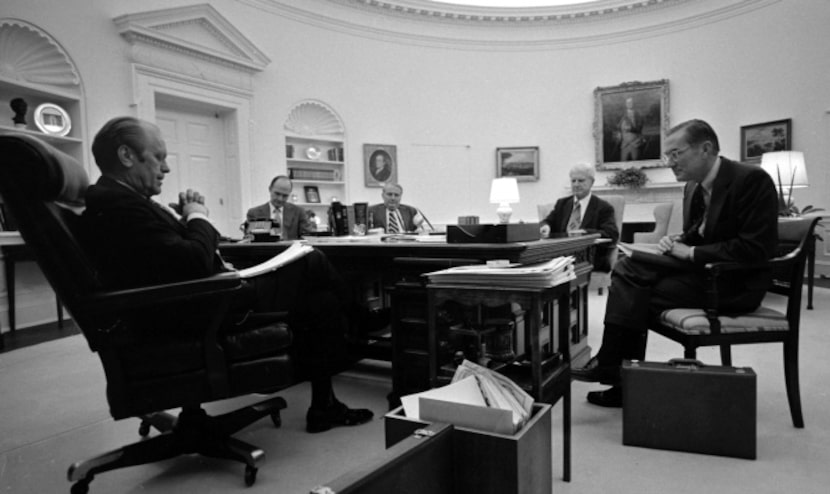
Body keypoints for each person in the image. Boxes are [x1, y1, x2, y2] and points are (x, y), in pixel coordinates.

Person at [80, 116, 374, 433]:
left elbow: (173, 256)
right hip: (200, 310)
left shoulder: (117, 200)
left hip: (193, 302)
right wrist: (196, 216)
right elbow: (193, 259)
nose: (165, 168)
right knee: (312, 260)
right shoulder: (118, 204)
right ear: (126, 156)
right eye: (159, 157)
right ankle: (363, 323)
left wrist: (185, 219)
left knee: (320, 301)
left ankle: (325, 403)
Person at [572, 119, 779, 407]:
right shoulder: (693, 187)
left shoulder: (752, 180)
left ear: (705, 148)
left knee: (631, 290)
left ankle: (616, 374)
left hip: (735, 284)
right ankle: (618, 375)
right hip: (702, 275)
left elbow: (755, 247)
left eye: (675, 154)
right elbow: (699, 231)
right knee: (628, 267)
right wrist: (677, 240)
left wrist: (692, 253)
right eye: (667, 156)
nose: (670, 162)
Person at [539, 163, 619, 271]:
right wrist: (545, 226)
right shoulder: (562, 204)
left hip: (589, 257)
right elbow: (548, 222)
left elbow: (611, 233)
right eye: (573, 181)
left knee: (561, 268)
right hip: (561, 255)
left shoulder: (603, 207)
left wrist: (585, 233)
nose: (576, 184)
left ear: (592, 182)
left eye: (581, 181)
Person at [246, 175, 311, 240]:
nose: (280, 199)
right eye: (277, 194)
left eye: (285, 196)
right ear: (270, 189)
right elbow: (250, 239)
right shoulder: (254, 213)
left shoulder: (299, 212)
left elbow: (307, 237)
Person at [617, 96, 645, 161]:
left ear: (634, 103)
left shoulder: (638, 115)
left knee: (636, 164)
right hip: (624, 144)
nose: (629, 104)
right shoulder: (622, 115)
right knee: (623, 164)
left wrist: (631, 128)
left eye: (631, 102)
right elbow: (618, 127)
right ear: (625, 104)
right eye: (628, 103)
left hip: (635, 143)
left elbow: (639, 128)